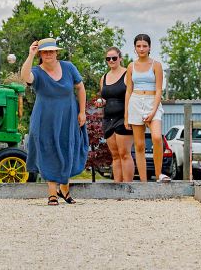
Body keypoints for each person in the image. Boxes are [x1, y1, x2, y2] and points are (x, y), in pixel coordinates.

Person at [20, 38, 89, 205]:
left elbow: (80, 87)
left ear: (57, 52)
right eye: (45, 51)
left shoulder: (68, 67)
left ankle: (64, 189)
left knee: (67, 148)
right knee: (48, 150)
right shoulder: (36, 71)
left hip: (68, 116)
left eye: (51, 50)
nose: (48, 54)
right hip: (45, 119)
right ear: (40, 54)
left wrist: (82, 111)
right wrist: (30, 54)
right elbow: (25, 76)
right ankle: (52, 192)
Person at [124, 34, 170, 183]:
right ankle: (143, 181)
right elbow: (128, 91)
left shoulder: (156, 65)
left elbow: (159, 91)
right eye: (139, 46)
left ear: (149, 47)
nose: (141, 49)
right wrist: (126, 116)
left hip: (152, 102)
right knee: (139, 145)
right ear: (135, 48)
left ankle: (158, 175)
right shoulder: (131, 66)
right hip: (135, 102)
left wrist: (153, 111)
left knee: (157, 137)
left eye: (144, 46)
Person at [96, 47, 134, 182]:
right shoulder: (104, 77)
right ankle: (117, 186)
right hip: (108, 119)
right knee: (115, 156)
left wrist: (128, 118)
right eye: (108, 59)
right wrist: (101, 103)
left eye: (114, 58)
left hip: (123, 118)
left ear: (120, 58)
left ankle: (128, 187)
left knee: (125, 154)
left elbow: (131, 96)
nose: (111, 61)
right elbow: (105, 97)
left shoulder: (127, 74)